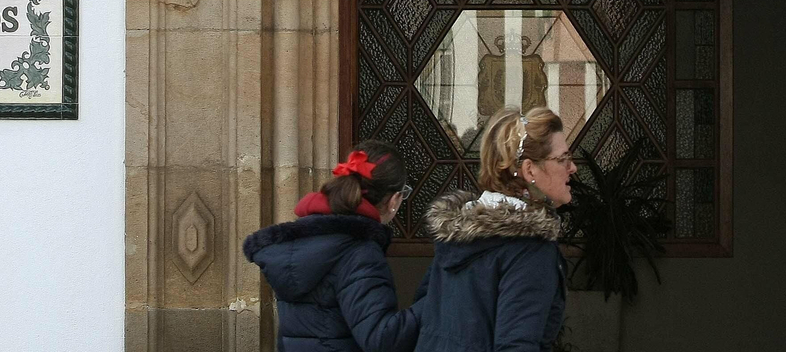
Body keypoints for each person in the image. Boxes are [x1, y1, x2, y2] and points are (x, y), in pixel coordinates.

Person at [413, 107, 577, 352]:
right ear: (530, 170)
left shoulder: (457, 238)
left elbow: (427, 323)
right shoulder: (530, 250)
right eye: (562, 159)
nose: (572, 168)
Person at [244, 140, 423, 352]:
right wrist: (438, 295)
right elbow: (384, 339)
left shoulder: (300, 241)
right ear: (394, 200)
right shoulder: (358, 252)